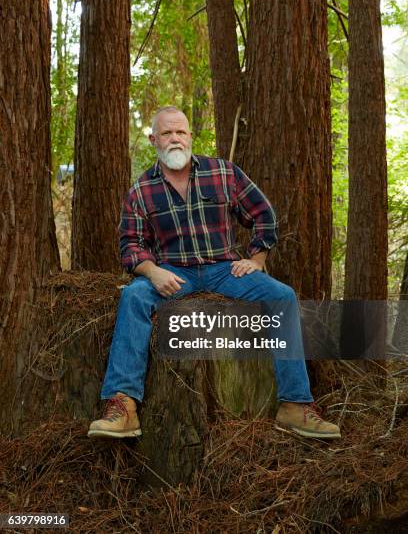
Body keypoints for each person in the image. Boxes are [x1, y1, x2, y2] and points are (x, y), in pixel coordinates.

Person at [88, 106, 341, 440]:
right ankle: (123, 407)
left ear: (191, 136)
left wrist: (258, 259)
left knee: (282, 296)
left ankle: (294, 405)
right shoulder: (141, 189)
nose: (175, 138)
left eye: (180, 131)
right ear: (153, 140)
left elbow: (263, 214)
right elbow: (130, 245)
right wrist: (152, 272)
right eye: (166, 133)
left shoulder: (223, 172)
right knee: (134, 295)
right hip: (174, 275)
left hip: (224, 270)